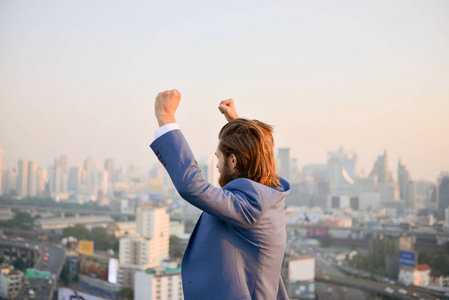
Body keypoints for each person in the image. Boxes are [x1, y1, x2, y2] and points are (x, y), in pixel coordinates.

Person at [150, 89, 290, 300]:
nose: (216, 165)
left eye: (219, 157)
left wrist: (166, 117)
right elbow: (260, 155)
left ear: (233, 161)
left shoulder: (252, 206)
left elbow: (192, 186)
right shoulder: (268, 196)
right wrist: (238, 124)